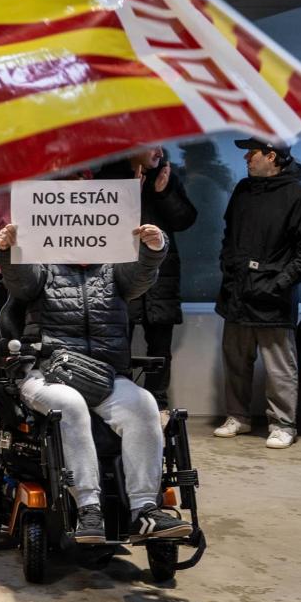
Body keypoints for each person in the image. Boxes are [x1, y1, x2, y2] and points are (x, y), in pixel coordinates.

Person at [0, 221, 192, 542]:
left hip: (102, 375)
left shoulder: (113, 270)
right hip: (46, 373)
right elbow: (21, 283)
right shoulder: (44, 268)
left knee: (143, 405)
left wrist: (154, 249)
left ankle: (144, 510)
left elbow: (140, 276)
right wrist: (8, 251)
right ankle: (88, 506)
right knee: (70, 405)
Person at [215, 137, 301, 449]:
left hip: (272, 299)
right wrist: (228, 266)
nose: (247, 158)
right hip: (236, 292)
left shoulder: (297, 195)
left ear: (272, 156)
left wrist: (279, 282)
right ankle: (238, 416)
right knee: (235, 359)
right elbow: (228, 234)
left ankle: (283, 424)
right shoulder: (242, 190)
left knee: (280, 366)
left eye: (253, 152)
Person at [97, 148, 198, 417]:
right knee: (117, 343)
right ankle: (119, 402)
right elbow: (96, 224)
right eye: (152, 145)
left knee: (161, 346)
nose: (159, 151)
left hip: (161, 275)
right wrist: (130, 194)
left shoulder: (165, 175)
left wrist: (163, 193)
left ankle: (158, 404)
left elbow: (186, 219)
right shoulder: (108, 176)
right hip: (120, 272)